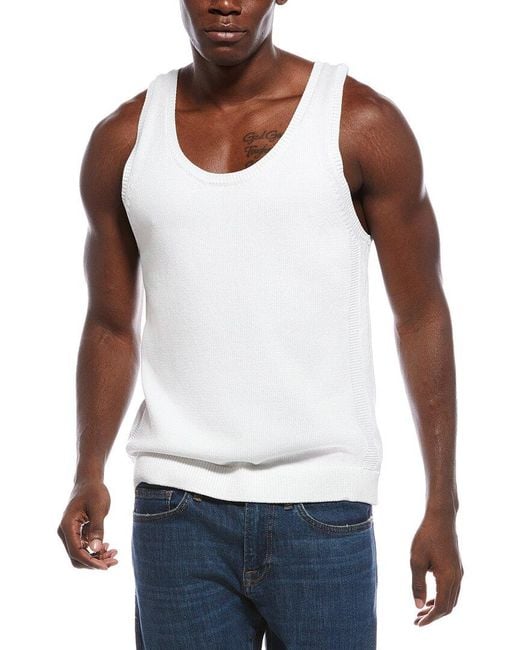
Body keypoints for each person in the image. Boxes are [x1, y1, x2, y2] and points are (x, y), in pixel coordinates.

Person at [57, 0, 463, 647]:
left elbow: (420, 313)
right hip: (176, 507)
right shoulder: (125, 140)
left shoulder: (359, 124)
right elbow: (110, 324)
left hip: (323, 505)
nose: (225, 3)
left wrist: (442, 502)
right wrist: (87, 470)